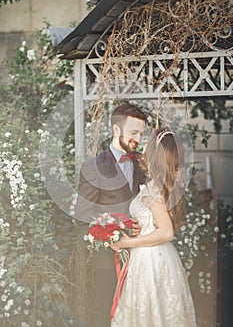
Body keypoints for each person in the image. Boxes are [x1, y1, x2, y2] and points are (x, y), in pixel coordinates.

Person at [110, 128, 197, 327]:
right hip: (151, 256)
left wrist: (128, 242)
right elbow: (152, 222)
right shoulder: (154, 186)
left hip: (151, 260)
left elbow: (166, 232)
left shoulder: (154, 189)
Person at [76, 103, 147, 327]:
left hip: (143, 255)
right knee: (106, 313)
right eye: (134, 132)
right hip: (108, 260)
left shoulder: (144, 165)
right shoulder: (92, 167)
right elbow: (83, 214)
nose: (138, 138)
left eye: (141, 133)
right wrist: (116, 231)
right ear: (117, 129)